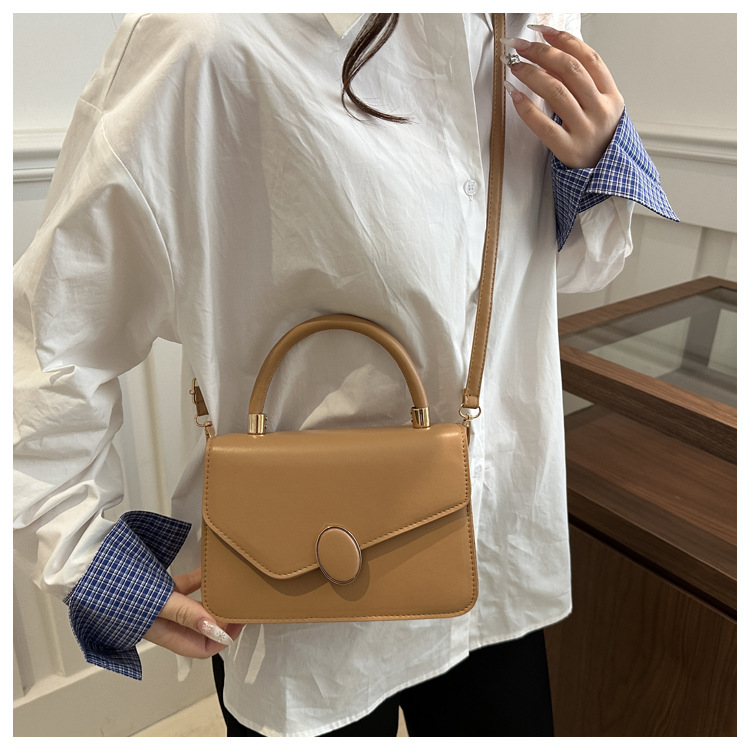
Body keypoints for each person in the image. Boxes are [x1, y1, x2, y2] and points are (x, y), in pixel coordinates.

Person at [13, 13, 677, 737]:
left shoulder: (532, 28)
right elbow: (49, 330)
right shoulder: (208, 41)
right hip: (300, 602)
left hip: (496, 553)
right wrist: (90, 562)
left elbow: (560, 271)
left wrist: (595, 159)